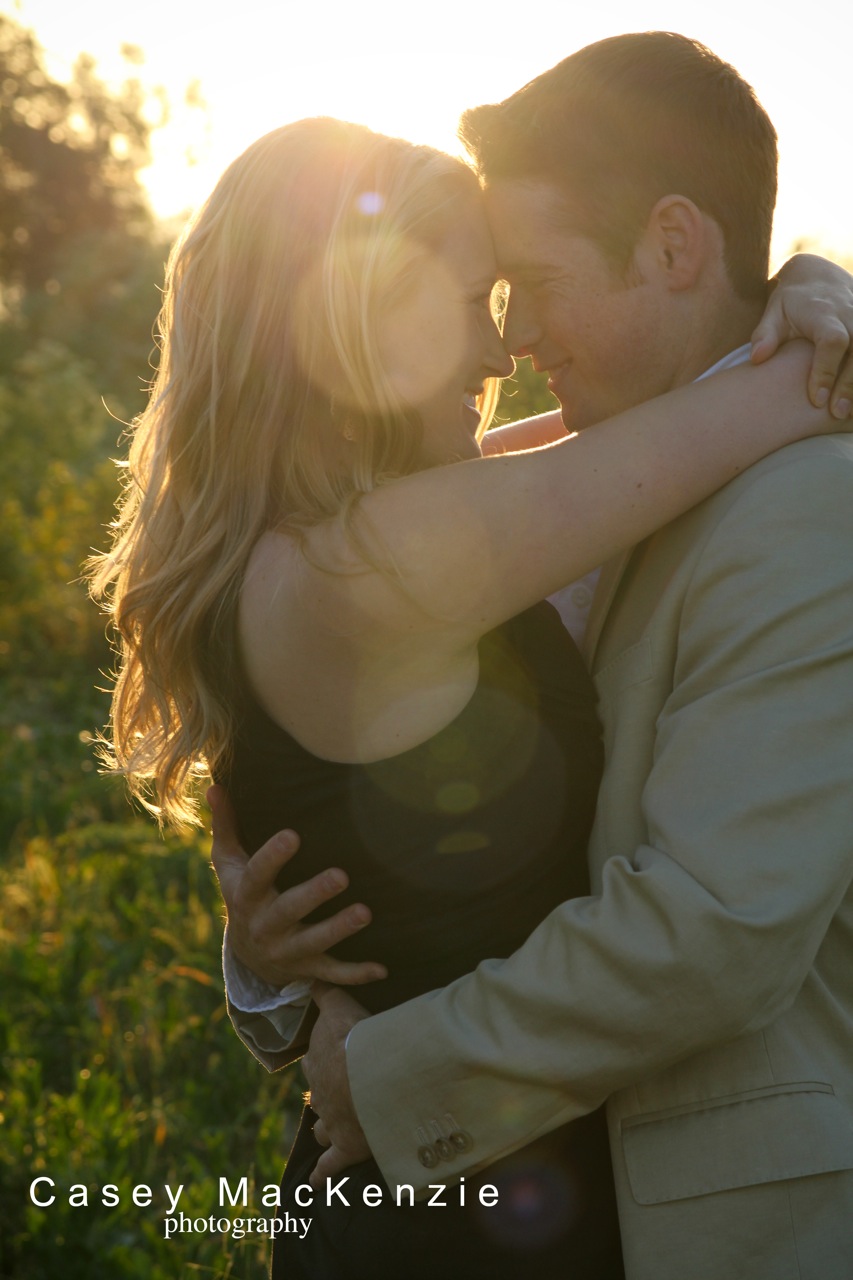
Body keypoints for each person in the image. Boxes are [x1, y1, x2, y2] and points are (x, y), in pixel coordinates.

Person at [210, 33, 853, 1280]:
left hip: (702, 1219)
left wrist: (386, 1071)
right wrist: (264, 961)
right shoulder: (562, 488)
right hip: (502, 1202)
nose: (514, 341)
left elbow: (712, 926)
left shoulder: (803, 509)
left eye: (532, 282)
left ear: (672, 244)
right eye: (485, 296)